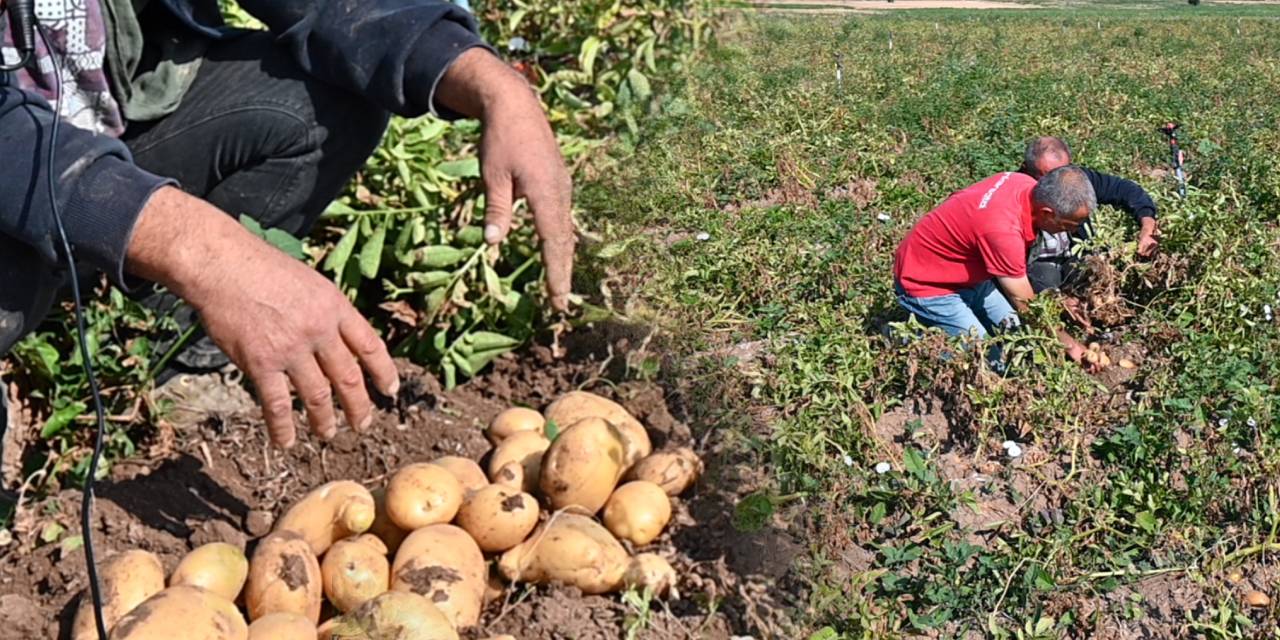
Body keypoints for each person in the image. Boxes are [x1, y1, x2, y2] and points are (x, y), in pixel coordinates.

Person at [0, 0, 576, 448]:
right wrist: (204, 250)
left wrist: (486, 79)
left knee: (319, 103)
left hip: (102, 130)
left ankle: (173, 365)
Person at [893, 166, 1100, 370]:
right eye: (1069, 225)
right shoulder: (1003, 231)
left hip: (968, 275)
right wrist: (1071, 346)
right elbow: (1029, 306)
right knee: (988, 362)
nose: (1073, 230)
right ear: (1046, 213)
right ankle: (906, 342)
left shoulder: (1023, 183)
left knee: (1020, 338)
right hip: (928, 285)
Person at [1020, 136, 1159, 292]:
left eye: (1063, 171)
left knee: (1094, 280)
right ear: (1026, 170)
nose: (1059, 183)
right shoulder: (1015, 196)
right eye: (1047, 177)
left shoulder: (1072, 178)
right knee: (1047, 283)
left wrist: (1148, 226)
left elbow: (1126, 190)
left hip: (1074, 256)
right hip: (1036, 265)